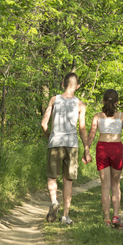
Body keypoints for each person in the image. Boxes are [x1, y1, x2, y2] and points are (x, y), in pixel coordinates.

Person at [41, 72, 90, 225]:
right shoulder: (80, 105)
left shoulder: (54, 100)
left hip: (55, 142)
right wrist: (86, 149)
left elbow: (43, 124)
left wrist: (49, 135)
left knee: (52, 176)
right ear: (78, 86)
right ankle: (65, 216)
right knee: (68, 180)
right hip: (72, 144)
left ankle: (54, 201)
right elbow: (82, 129)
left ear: (63, 84)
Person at [85, 89, 123, 228]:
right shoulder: (121, 116)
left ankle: (107, 220)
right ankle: (116, 216)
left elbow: (91, 135)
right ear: (117, 103)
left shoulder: (97, 116)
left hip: (102, 149)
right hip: (116, 149)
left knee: (105, 186)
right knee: (116, 185)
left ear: (103, 101)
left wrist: (86, 151)